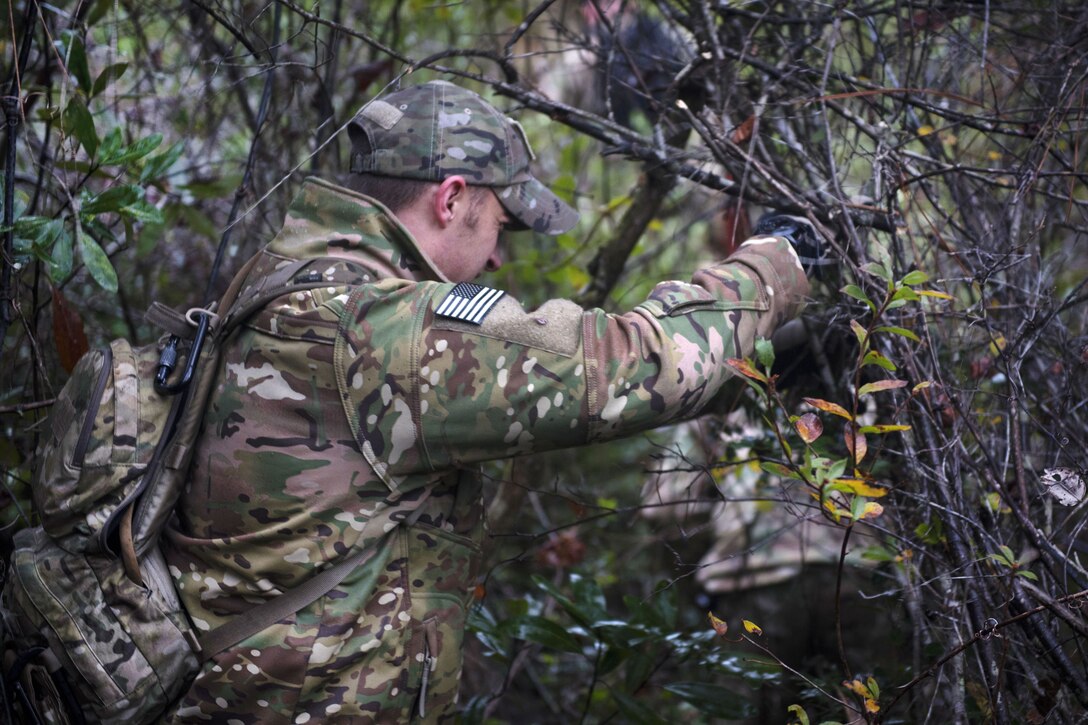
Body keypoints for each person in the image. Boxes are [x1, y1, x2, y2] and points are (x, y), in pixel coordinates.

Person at [163, 79, 814, 722]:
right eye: (500, 223)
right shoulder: (393, 333)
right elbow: (626, 368)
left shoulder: (278, 284)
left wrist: (763, 365)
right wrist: (776, 261)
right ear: (451, 199)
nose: (500, 255)